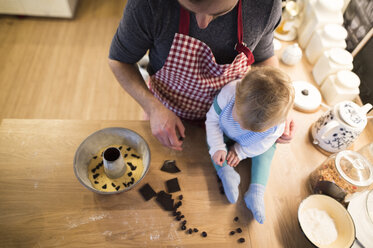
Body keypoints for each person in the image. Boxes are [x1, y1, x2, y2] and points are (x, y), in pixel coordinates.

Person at [108, 0, 295, 152]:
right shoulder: (148, 5)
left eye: (217, 14)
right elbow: (119, 61)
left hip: (232, 120)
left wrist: (277, 104)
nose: (202, 24)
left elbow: (263, 58)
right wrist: (153, 107)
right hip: (166, 115)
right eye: (188, 8)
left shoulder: (265, 5)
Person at [206, 66, 294, 224]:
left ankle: (256, 191)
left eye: (254, 129)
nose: (243, 128)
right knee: (213, 144)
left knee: (267, 154)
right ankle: (225, 171)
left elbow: (263, 144)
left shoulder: (277, 125)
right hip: (225, 132)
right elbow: (212, 121)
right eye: (239, 120)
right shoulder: (229, 93)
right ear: (237, 96)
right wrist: (219, 147)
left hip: (253, 144)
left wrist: (240, 151)